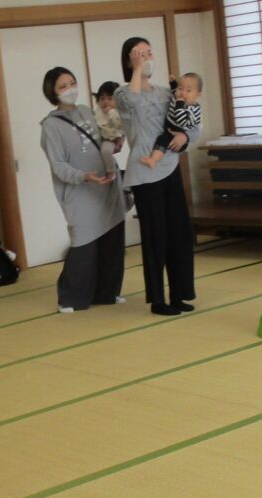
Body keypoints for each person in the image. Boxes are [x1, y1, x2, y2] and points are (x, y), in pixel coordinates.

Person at [114, 37, 199, 316]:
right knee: (155, 237)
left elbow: (189, 120)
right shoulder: (122, 94)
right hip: (144, 173)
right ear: (129, 60)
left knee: (179, 234)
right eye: (139, 54)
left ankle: (179, 294)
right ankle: (158, 300)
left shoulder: (167, 93)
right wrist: (137, 69)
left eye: (149, 52)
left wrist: (185, 137)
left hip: (170, 167)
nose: (146, 57)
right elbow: (133, 101)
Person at [40, 67, 126, 314]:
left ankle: (107, 292)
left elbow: (103, 139)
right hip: (80, 192)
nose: (70, 89)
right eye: (63, 86)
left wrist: (115, 144)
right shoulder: (51, 125)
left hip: (106, 185)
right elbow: (58, 165)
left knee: (112, 240)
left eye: (72, 82)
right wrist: (83, 176)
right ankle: (70, 298)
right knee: (84, 243)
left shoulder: (87, 111)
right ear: (53, 92)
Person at [140, 73, 203, 169]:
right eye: (181, 88)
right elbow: (174, 91)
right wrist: (173, 83)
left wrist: (179, 104)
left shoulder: (194, 110)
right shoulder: (177, 97)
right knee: (163, 138)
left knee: (162, 139)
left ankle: (153, 160)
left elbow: (181, 121)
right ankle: (153, 160)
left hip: (177, 137)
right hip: (169, 128)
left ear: (197, 94)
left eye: (188, 90)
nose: (183, 93)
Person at [94, 81, 125, 176]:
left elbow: (120, 125)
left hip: (113, 139)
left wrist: (111, 112)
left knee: (106, 151)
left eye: (110, 98)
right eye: (102, 98)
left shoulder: (117, 112)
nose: (105, 101)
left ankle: (111, 171)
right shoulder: (98, 112)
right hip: (102, 138)